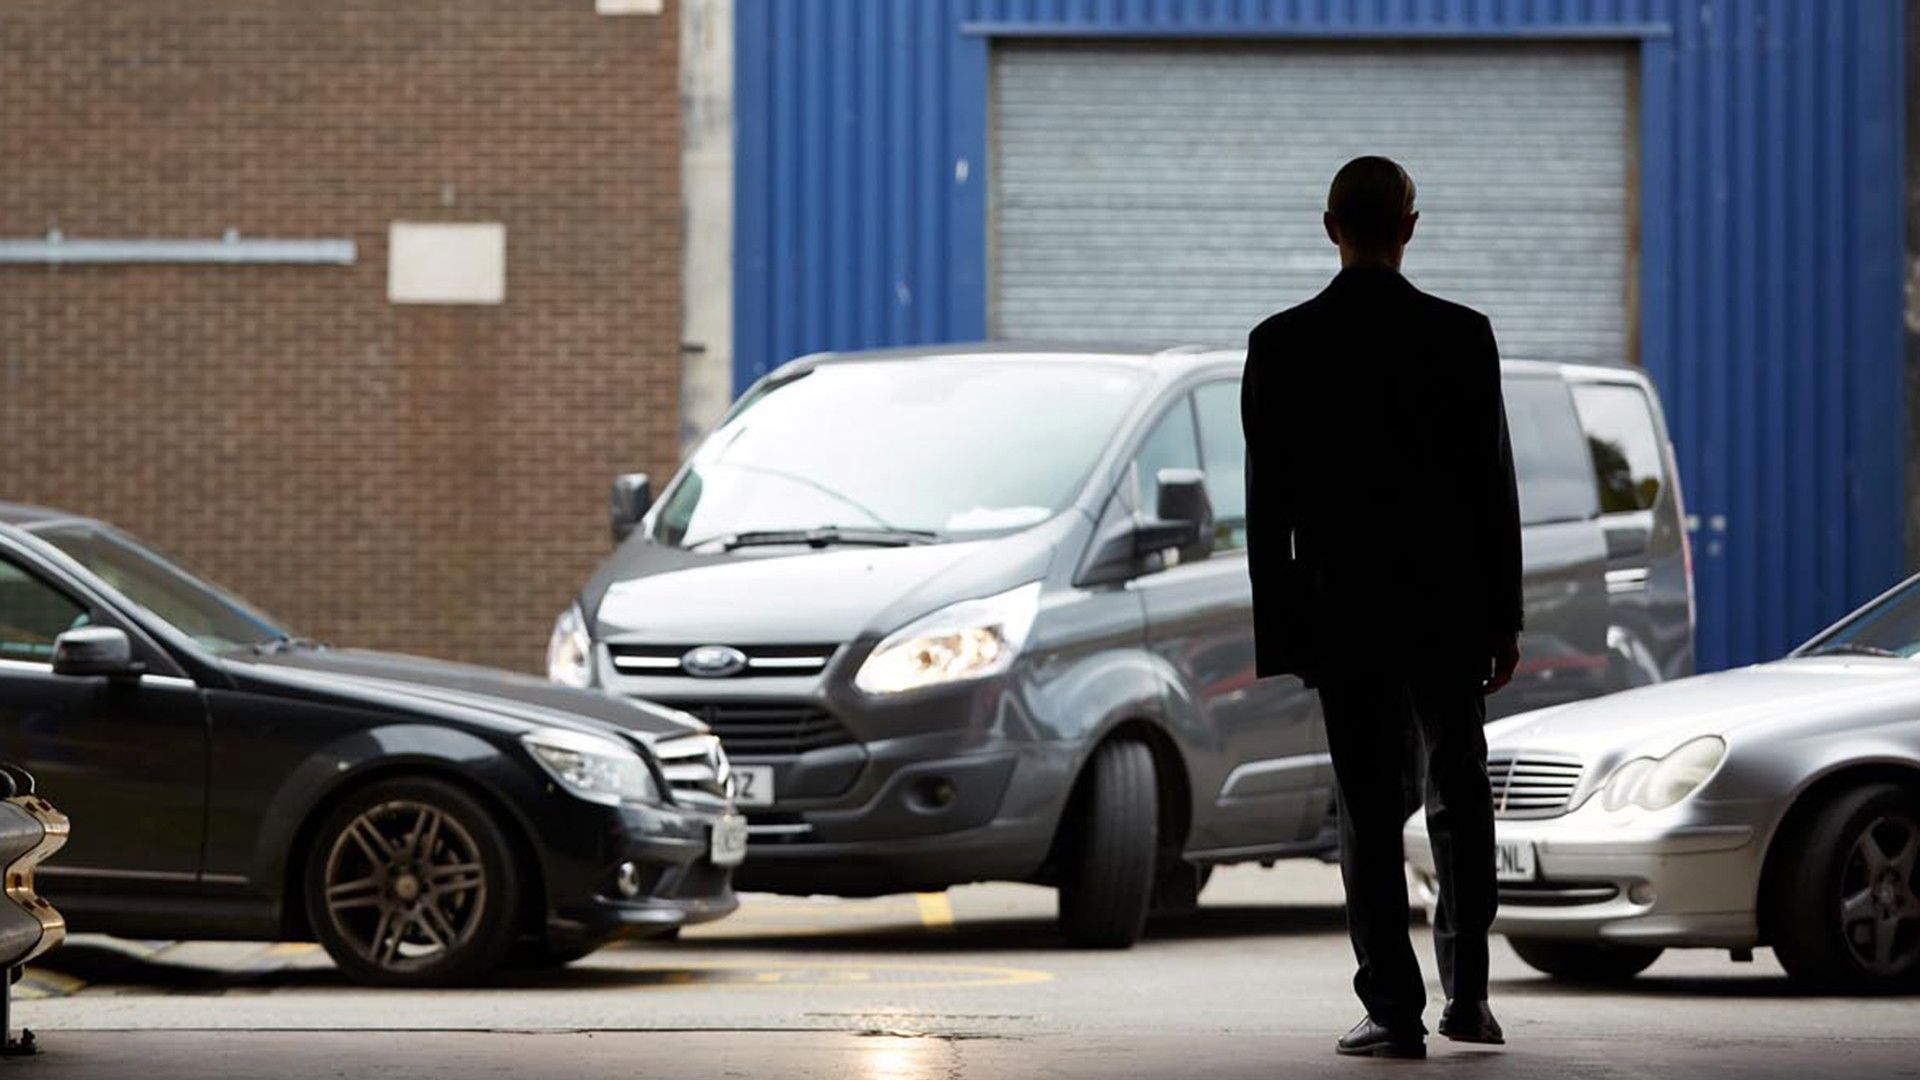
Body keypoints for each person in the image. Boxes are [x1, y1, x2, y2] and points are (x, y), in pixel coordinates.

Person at [1240, 156, 1521, 1059]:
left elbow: (1267, 507)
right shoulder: (1463, 337)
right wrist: (1502, 619)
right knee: (1458, 787)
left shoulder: (1281, 344)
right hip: (1445, 607)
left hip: (1344, 611)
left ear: (1331, 227)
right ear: (1412, 224)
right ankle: (1469, 996)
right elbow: (1493, 493)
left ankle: (1392, 1010)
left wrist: (1283, 631)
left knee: (1366, 806)